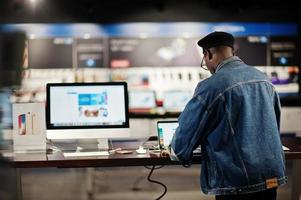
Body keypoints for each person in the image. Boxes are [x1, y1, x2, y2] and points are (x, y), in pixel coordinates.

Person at [163, 31, 287, 200]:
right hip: (270, 175)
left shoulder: (212, 86)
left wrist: (176, 150)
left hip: (237, 181)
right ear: (232, 52)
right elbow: (273, 126)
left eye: (205, 60)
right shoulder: (264, 79)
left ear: (208, 54)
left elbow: (183, 141)